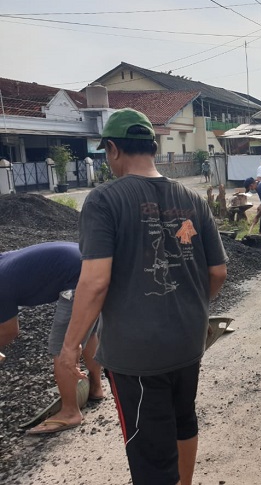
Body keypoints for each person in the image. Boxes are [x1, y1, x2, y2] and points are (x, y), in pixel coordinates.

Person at [55, 108, 228, 485]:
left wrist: (70, 348)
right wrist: (192, 310)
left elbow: (95, 281)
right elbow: (217, 272)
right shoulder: (193, 199)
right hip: (188, 340)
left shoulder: (104, 200)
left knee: (149, 449)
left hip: (138, 354)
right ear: (153, 146)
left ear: (113, 150)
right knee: (184, 419)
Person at [0, 241, 104, 435]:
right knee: (87, 334)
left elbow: (9, 331)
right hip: (94, 264)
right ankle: (96, 388)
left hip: (78, 278)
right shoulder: (5, 263)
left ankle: (70, 412)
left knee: (63, 345)